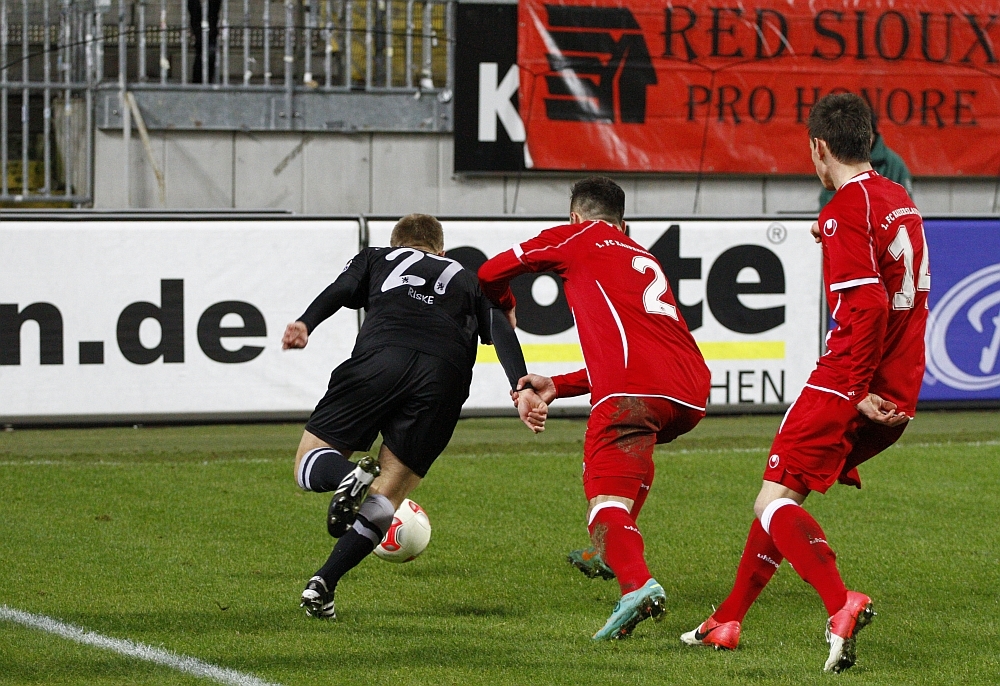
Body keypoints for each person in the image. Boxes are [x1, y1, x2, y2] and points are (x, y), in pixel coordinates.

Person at [681, 93, 929, 673]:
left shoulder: (845, 209)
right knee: (783, 497)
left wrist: (854, 388)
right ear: (870, 141)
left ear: (819, 148)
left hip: (850, 381)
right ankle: (727, 620)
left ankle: (841, 603)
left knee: (770, 504)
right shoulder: (899, 200)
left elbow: (869, 306)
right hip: (899, 389)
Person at [477, 177, 712, 640]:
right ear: (623, 223)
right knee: (633, 452)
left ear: (574, 217)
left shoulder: (574, 237)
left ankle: (636, 584)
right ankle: (610, 552)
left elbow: (488, 274)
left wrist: (505, 306)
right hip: (689, 392)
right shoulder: (642, 255)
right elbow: (645, 349)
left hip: (632, 393)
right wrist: (559, 385)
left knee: (603, 502)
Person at [282, 213, 547, 619]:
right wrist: (521, 386)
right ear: (441, 250)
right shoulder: (468, 277)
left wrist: (306, 323)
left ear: (396, 244)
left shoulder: (376, 257)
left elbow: (343, 289)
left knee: (308, 463)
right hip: (444, 378)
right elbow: (499, 325)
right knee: (386, 497)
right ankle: (323, 585)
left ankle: (347, 476)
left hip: (381, 359)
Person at [820, 110, 912, 208]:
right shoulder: (837, 161)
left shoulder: (894, 165)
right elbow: (826, 202)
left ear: (872, 135)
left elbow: (906, 206)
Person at [188, 0, 221, 84]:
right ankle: (201, 81)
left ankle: (202, 81)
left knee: (207, 51)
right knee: (204, 50)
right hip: (204, 32)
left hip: (208, 32)